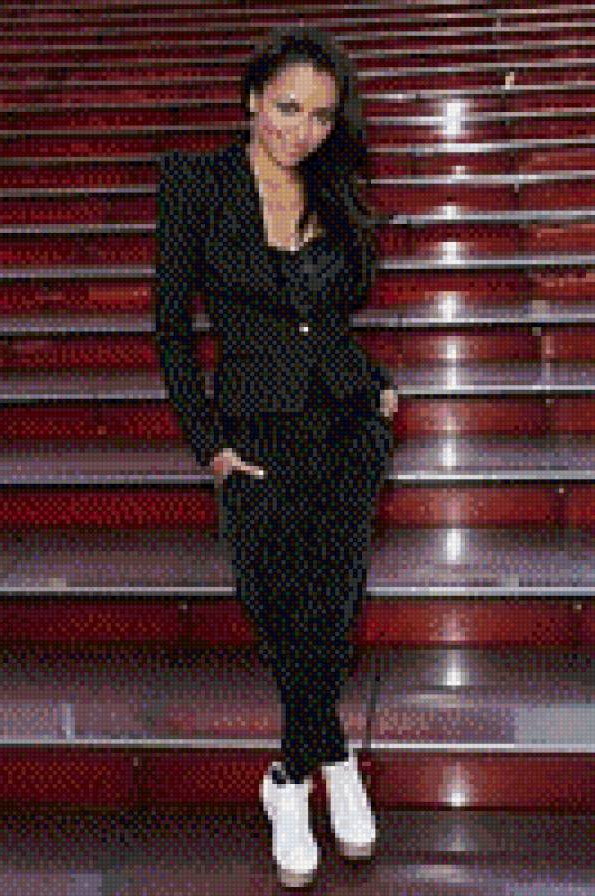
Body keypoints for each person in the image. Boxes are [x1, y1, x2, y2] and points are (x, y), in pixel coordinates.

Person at [155, 25, 398, 889]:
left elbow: (329, 315)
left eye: (321, 116)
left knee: (330, 608)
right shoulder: (197, 183)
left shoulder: (334, 185)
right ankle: (328, 758)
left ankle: (293, 784)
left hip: (345, 426)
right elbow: (170, 328)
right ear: (252, 97)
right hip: (254, 431)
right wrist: (209, 444)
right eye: (288, 108)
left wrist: (374, 388)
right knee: (277, 605)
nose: (303, 131)